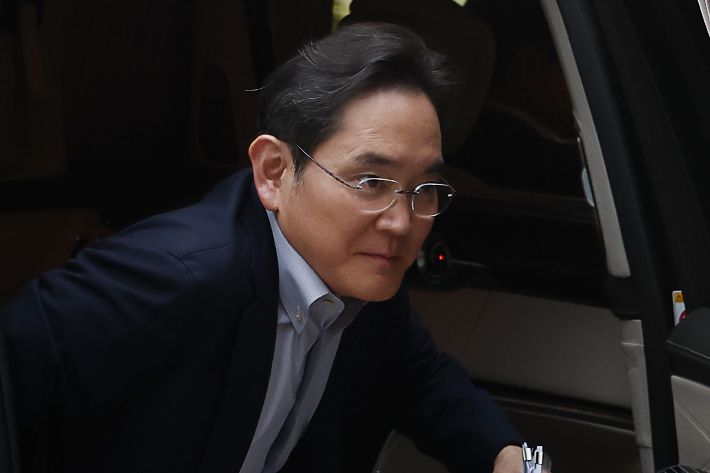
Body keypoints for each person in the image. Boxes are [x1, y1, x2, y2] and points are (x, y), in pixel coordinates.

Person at [0, 22, 523, 472]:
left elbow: (422, 380)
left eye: (424, 189)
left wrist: (513, 456)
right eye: (370, 182)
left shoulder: (360, 282)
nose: (401, 222)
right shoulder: (181, 275)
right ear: (274, 172)